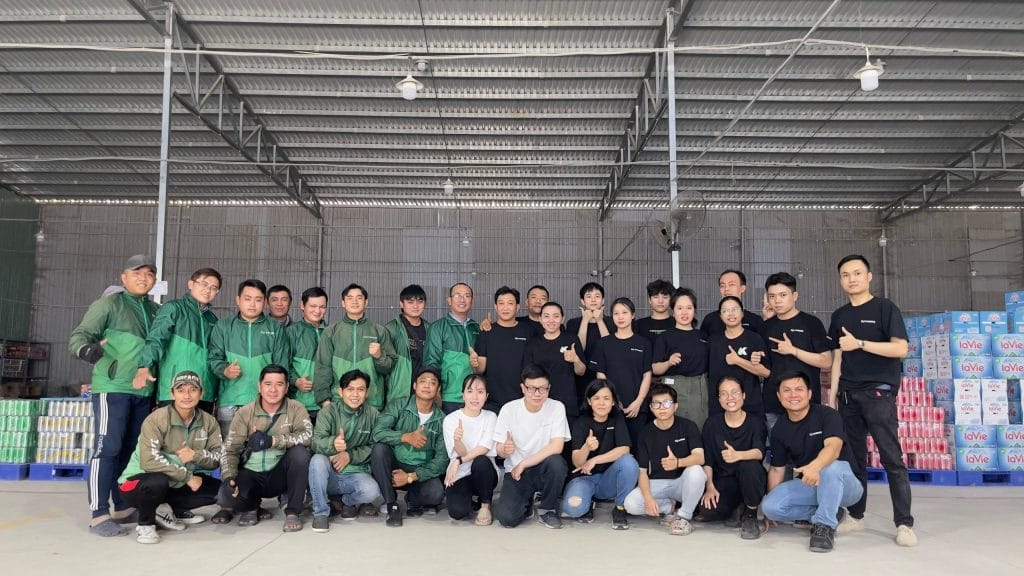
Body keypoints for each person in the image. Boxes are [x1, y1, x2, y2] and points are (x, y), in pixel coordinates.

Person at [69, 254, 160, 537]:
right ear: (124, 277)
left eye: (149, 274)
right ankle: (99, 513)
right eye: (137, 273)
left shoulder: (155, 311)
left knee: (130, 450)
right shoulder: (108, 304)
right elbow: (80, 336)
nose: (143, 278)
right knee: (107, 449)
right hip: (113, 388)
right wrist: (87, 350)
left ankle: (122, 505)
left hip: (143, 391)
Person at [828, 254, 916, 547]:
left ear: (869, 277)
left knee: (892, 458)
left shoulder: (885, 308)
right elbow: (838, 356)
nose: (851, 279)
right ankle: (856, 515)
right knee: (854, 460)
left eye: (856, 273)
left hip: (878, 393)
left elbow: (900, 349)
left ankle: (904, 523)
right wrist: (832, 394)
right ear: (840, 280)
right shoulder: (839, 316)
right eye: (845, 275)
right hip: (848, 396)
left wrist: (861, 344)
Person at [762, 371, 863, 553]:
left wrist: (814, 467)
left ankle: (824, 526)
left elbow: (833, 448)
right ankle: (832, 511)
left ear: (809, 393)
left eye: (799, 389)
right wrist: (771, 499)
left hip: (846, 485)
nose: (793, 395)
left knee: (830, 468)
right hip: (812, 484)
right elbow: (777, 469)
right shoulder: (779, 429)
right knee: (770, 507)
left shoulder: (827, 415)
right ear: (779, 396)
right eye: (787, 390)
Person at [117, 371, 222, 544]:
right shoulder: (156, 419)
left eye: (193, 390)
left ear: (201, 393)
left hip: (174, 484)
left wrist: (194, 455)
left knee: (223, 492)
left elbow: (217, 458)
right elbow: (149, 460)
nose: (187, 395)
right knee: (157, 481)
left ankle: (172, 511)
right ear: (172, 394)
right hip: (135, 484)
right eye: (181, 390)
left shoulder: (208, 421)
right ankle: (146, 525)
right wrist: (187, 477)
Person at [218, 364, 313, 531]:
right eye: (268, 384)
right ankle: (251, 506)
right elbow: (230, 449)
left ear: (287, 387)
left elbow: (308, 436)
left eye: (279, 384)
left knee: (300, 454)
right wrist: (228, 477)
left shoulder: (296, 408)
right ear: (259, 386)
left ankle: (293, 512)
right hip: (251, 474)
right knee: (226, 496)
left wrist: (272, 441)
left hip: (279, 475)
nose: (273, 390)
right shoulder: (245, 412)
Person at [208, 279, 291, 440]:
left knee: (261, 450)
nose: (252, 304)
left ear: (264, 302)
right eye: (247, 299)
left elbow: (282, 366)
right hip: (230, 401)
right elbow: (213, 359)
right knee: (230, 450)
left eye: (258, 299)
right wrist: (224, 370)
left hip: (264, 403)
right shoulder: (223, 326)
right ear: (238, 300)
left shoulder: (275, 328)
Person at [492, 364, 570, 529]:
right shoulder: (509, 409)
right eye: (532, 388)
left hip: (542, 468)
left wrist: (524, 463)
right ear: (523, 388)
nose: (537, 393)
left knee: (557, 463)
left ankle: (547, 509)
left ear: (549, 388)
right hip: (516, 472)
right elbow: (499, 449)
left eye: (542, 388)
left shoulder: (557, 407)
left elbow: (557, 446)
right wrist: (504, 450)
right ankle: (526, 502)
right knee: (507, 519)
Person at [135, 267, 221, 414]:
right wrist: (144, 366)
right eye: (204, 284)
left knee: (201, 429)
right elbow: (156, 339)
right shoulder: (174, 308)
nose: (208, 290)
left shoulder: (212, 319)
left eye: (214, 288)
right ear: (191, 284)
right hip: (174, 389)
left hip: (204, 391)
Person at [623, 383, 706, 536]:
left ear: (675, 406)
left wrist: (678, 462)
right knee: (631, 504)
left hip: (682, 483)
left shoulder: (688, 426)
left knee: (697, 471)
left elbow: (700, 457)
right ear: (651, 407)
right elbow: (642, 472)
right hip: (658, 483)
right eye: (656, 403)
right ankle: (668, 507)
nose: (661, 408)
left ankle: (683, 517)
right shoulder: (645, 433)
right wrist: (648, 498)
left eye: (667, 403)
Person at [371, 367, 449, 527]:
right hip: (396, 464)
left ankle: (412, 499)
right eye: (423, 381)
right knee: (379, 449)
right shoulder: (399, 405)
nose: (427, 385)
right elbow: (377, 432)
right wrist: (405, 437)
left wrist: (410, 476)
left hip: (420, 470)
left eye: (432, 383)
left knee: (436, 494)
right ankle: (391, 504)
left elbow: (441, 461)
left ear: (438, 389)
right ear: (414, 385)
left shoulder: (442, 420)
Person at [308, 369, 381, 533]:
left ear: (367, 392)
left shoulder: (373, 415)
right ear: (341, 392)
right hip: (330, 475)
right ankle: (320, 513)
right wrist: (333, 444)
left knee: (372, 491)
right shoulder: (328, 412)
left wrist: (350, 455)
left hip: (356, 474)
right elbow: (316, 442)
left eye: (360, 389)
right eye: (350, 389)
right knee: (317, 460)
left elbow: (376, 446)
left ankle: (346, 502)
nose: (355, 394)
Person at [561, 380, 639, 530]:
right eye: (596, 398)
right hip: (583, 479)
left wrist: (595, 460)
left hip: (607, 480)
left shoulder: (617, 419)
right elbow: (577, 462)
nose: (602, 403)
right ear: (589, 401)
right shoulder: (581, 423)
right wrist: (587, 447)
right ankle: (588, 502)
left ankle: (619, 507)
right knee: (574, 509)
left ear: (613, 402)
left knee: (629, 462)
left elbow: (624, 449)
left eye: (606, 398)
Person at [697, 376, 767, 540]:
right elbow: (708, 460)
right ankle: (738, 507)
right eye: (724, 394)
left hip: (750, 478)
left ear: (743, 395)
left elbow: (759, 452)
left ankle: (750, 514)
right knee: (707, 510)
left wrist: (738, 455)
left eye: (735, 392)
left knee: (750, 466)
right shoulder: (712, 424)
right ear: (719, 399)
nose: (730, 398)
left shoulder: (755, 422)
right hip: (724, 480)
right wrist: (710, 486)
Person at [761, 272, 832, 432]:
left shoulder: (811, 323)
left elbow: (826, 360)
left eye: (783, 295)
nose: (777, 300)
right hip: (774, 405)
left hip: (807, 404)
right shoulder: (765, 327)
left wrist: (793, 351)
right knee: (778, 446)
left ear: (795, 296)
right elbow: (763, 367)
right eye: (772, 296)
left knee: (810, 446)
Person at [315, 284, 397, 412]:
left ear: (366, 302)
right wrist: (325, 401)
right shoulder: (331, 332)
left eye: (359, 298)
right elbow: (322, 367)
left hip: (372, 403)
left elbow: (388, 368)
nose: (354, 301)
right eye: (350, 298)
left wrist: (379, 356)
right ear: (343, 303)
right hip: (339, 403)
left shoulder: (379, 331)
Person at [591, 297, 653, 445]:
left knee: (637, 447)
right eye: (616, 313)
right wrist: (612, 400)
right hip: (610, 406)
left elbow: (647, 375)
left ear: (633, 315)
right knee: (612, 446)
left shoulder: (643, 343)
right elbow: (601, 375)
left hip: (637, 407)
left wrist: (638, 401)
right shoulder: (604, 343)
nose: (620, 317)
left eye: (624, 312)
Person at [442, 374, 498, 525]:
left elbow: (484, 448)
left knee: (481, 461)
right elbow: (461, 452)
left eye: (480, 392)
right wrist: (457, 441)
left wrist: (458, 461)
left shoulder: (490, 417)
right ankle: (470, 500)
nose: (475, 397)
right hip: (460, 473)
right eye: (470, 391)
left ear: (486, 396)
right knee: (457, 512)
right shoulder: (450, 420)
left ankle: (485, 504)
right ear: (463, 395)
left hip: (484, 472)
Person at [652, 288, 709, 427]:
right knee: (673, 428)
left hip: (700, 390)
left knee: (698, 428)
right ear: (673, 311)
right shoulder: (665, 337)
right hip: (673, 389)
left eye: (689, 308)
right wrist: (668, 362)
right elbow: (655, 368)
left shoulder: (703, 336)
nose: (684, 312)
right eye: (680, 308)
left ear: (695, 310)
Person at [705, 296, 770, 419]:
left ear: (742, 313)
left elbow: (766, 372)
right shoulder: (712, 341)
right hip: (720, 407)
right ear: (720, 316)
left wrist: (738, 360)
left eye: (735, 309)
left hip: (750, 405)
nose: (731, 314)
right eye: (725, 311)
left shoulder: (754, 338)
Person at [472, 287, 533, 413]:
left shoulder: (528, 331)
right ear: (495, 306)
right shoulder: (486, 332)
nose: (505, 308)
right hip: (492, 401)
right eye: (501, 303)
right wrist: (475, 363)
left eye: (510, 303)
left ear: (517, 307)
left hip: (521, 400)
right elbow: (480, 369)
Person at [423, 283, 480, 413]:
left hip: (473, 396)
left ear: (472, 301)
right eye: (457, 295)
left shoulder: (476, 328)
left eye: (467, 296)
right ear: (449, 300)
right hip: (448, 397)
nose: (462, 299)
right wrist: (436, 392)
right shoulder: (438, 327)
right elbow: (431, 363)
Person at [523, 302, 585, 420]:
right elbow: (527, 375)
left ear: (562, 319)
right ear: (540, 319)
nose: (551, 320)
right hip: (540, 400)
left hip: (567, 400)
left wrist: (576, 360)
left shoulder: (571, 339)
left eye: (556, 316)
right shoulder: (533, 343)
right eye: (546, 316)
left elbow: (581, 372)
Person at [384, 284, 431, 408]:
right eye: (410, 302)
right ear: (401, 304)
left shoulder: (431, 329)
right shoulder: (391, 329)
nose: (415, 306)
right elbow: (384, 364)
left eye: (420, 301)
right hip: (400, 389)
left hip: (424, 389)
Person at [286, 287, 328, 425]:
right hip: (299, 403)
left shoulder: (331, 332)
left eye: (322, 307)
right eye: (313, 306)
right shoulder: (291, 332)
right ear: (302, 306)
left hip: (326, 404)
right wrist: (296, 381)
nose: (317, 310)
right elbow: (283, 364)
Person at [565, 282, 615, 398]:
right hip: (581, 374)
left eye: (597, 296)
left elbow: (610, 348)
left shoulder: (612, 321)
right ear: (582, 301)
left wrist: (599, 321)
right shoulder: (573, 323)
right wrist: (585, 321)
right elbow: (578, 350)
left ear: (603, 300)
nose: (593, 300)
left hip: (606, 373)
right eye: (589, 296)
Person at [699, 270, 764, 338]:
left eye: (731, 284)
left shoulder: (755, 320)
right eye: (722, 286)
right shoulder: (710, 319)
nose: (726, 289)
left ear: (742, 288)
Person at [635, 279, 675, 344]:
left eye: (665, 297)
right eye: (656, 297)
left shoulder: (677, 324)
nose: (660, 301)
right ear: (649, 300)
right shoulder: (638, 325)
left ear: (671, 300)